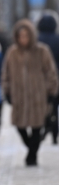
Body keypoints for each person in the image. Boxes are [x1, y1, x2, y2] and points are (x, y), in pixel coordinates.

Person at [1, 19, 59, 166]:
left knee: (37, 127)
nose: (24, 39)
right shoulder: (12, 53)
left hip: (38, 97)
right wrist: (7, 92)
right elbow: (5, 74)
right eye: (21, 36)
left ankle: (31, 156)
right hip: (19, 97)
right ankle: (32, 149)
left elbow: (51, 73)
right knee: (20, 126)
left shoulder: (42, 51)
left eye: (26, 35)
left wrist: (51, 93)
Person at [38, 15, 59, 144]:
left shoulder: (37, 40)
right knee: (55, 106)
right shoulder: (57, 39)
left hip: (41, 79)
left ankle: (45, 127)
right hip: (56, 77)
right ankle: (55, 133)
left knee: (43, 106)